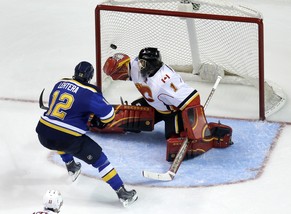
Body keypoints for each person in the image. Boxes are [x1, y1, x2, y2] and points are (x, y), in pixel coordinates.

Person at [35, 61, 138, 207]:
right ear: (90, 76)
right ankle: (123, 194)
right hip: (65, 137)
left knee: (56, 136)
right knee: (100, 160)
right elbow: (108, 116)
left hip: (43, 133)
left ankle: (71, 166)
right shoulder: (90, 92)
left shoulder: (60, 83)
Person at [101, 48, 232, 161]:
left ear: (150, 66)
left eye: (116, 74)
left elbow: (193, 100)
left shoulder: (163, 83)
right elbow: (130, 71)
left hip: (173, 112)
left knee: (172, 139)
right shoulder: (136, 65)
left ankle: (210, 134)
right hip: (156, 104)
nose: (114, 78)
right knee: (134, 113)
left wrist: (196, 128)